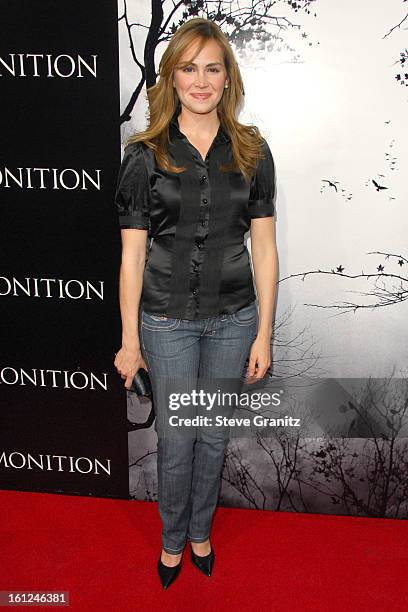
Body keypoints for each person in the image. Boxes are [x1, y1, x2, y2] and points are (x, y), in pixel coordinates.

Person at [113, 17, 278, 589]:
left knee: (213, 435)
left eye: (213, 68)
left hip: (235, 319)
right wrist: (130, 341)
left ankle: (201, 533)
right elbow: (132, 258)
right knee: (178, 437)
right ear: (172, 77)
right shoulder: (144, 155)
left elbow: (265, 246)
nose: (201, 80)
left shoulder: (253, 150)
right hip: (167, 321)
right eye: (189, 68)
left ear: (227, 78)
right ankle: (170, 540)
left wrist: (264, 333)